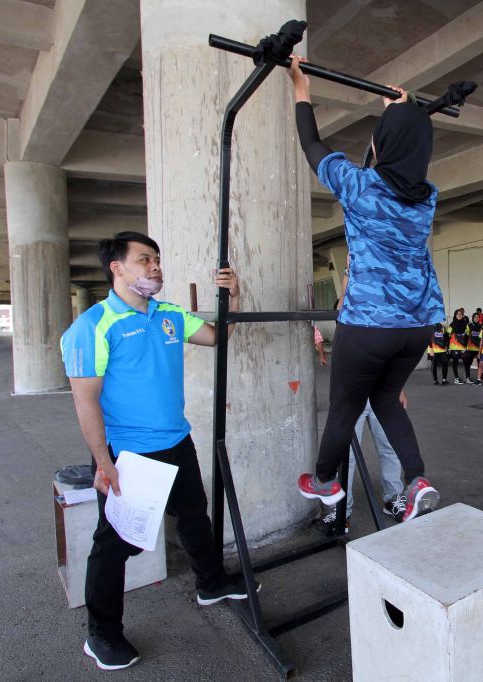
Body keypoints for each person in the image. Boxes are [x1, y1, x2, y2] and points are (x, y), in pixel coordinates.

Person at [61, 232, 252, 671]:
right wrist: (104, 462)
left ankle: (211, 583)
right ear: (117, 268)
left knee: (194, 514)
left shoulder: (168, 314)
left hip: (176, 441)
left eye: (158, 260)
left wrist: (233, 297)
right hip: (128, 453)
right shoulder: (92, 327)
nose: (155, 267)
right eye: (144, 260)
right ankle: (101, 635)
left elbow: (217, 337)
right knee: (115, 545)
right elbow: (84, 401)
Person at [289, 58, 440, 522]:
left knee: (344, 404)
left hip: (370, 323)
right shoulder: (427, 195)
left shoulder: (357, 186)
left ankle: (324, 480)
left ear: (380, 144)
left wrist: (300, 89)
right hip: (418, 323)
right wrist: (403, 110)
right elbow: (391, 164)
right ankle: (416, 479)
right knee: (386, 398)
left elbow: (311, 144)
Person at [321, 392, 410, 535]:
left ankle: (393, 499)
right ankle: (342, 510)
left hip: (382, 393)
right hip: (353, 395)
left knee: (389, 448)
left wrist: (399, 390)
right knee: (346, 455)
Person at [448, 308, 470, 384]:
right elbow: (447, 336)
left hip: (463, 348)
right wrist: (448, 347)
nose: (459, 315)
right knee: (455, 363)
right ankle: (456, 378)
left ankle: (467, 377)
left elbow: (467, 337)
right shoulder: (451, 325)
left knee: (466, 362)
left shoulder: (465, 325)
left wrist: (467, 347)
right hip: (454, 348)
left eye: (461, 314)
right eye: (458, 314)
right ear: (455, 315)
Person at [465, 312, 483, 385]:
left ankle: (479, 378)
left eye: (478, 317)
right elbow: (465, 336)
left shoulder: (481, 326)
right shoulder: (468, 325)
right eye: (475, 317)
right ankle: (467, 377)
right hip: (470, 348)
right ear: (472, 318)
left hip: (479, 348)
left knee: (480, 364)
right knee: (468, 363)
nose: (476, 318)